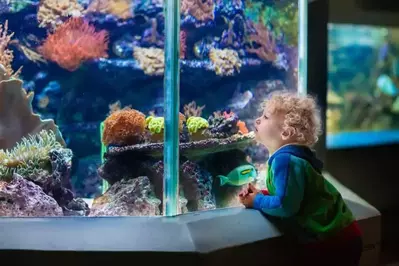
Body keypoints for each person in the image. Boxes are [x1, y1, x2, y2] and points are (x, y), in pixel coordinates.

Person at [239, 91, 363, 265]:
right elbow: (293, 192)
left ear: (286, 133)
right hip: (342, 234)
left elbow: (285, 206)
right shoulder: (294, 157)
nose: (258, 120)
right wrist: (262, 193)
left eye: (265, 117)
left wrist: (257, 201)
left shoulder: (285, 160)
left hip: (333, 241)